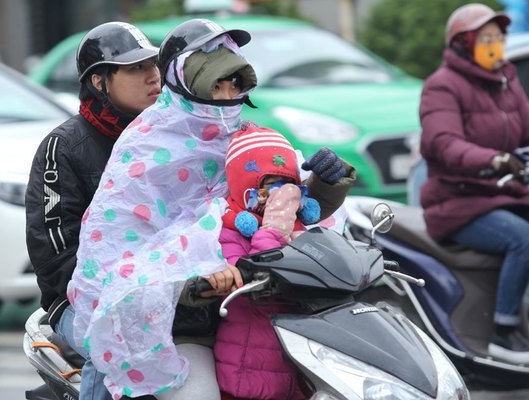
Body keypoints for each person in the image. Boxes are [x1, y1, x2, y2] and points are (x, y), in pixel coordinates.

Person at [66, 18, 354, 400]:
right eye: (216, 83)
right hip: (181, 327)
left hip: (269, 309)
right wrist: (185, 284)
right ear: (185, 83)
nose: (227, 92)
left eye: (234, 82)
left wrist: (325, 183)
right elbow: (118, 259)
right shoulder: (144, 148)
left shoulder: (249, 135)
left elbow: (290, 206)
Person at [25, 21, 161, 400]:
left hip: (164, 295)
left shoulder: (167, 139)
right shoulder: (63, 147)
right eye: (136, 68)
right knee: (115, 341)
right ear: (99, 82)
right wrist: (120, 293)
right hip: (80, 302)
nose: (153, 76)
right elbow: (54, 255)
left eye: (153, 64)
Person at [420, 3, 529, 364]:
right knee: (522, 238)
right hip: (456, 202)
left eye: (498, 38)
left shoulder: (506, 80)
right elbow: (443, 143)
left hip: (503, 196)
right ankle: (504, 334)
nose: (495, 45)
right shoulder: (442, 85)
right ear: (464, 44)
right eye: (485, 39)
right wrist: (494, 159)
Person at [215, 125, 355, 400]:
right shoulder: (228, 232)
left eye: (290, 186)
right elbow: (253, 273)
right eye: (273, 187)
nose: (284, 197)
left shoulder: (300, 228)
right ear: (248, 190)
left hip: (298, 359)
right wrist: (273, 229)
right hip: (249, 369)